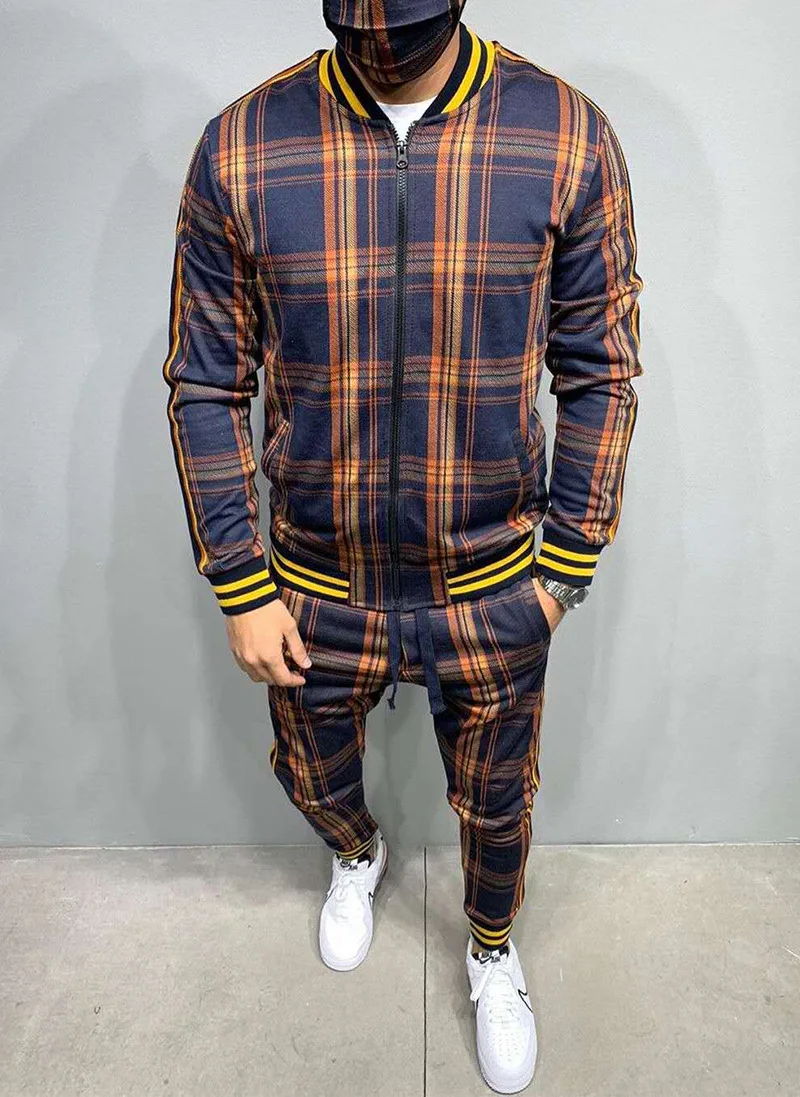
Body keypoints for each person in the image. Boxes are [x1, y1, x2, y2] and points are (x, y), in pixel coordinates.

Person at [161, 1, 644, 1090]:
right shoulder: (244, 145)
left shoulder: (562, 134)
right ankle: (356, 851)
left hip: (492, 579)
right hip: (310, 581)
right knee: (311, 770)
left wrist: (563, 568)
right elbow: (205, 381)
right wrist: (240, 581)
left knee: (500, 802)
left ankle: (490, 948)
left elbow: (599, 369)